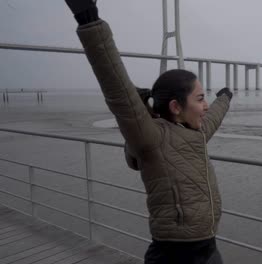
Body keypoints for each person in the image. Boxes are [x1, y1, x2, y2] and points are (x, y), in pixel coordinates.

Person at [64, 1, 232, 263]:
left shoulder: (195, 133)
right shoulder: (152, 137)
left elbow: (213, 117)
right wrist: (88, 20)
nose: (205, 105)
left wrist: (226, 98)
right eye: (200, 98)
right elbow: (117, 88)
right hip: (175, 254)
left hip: (208, 246)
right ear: (176, 106)